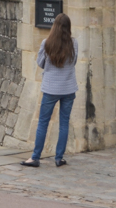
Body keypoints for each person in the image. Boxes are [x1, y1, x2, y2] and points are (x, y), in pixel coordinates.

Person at [21, 13, 78, 168]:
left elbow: (40, 63)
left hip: (51, 88)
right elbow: (74, 62)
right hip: (68, 88)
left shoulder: (47, 43)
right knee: (64, 123)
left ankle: (35, 157)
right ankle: (59, 158)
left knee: (43, 123)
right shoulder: (74, 43)